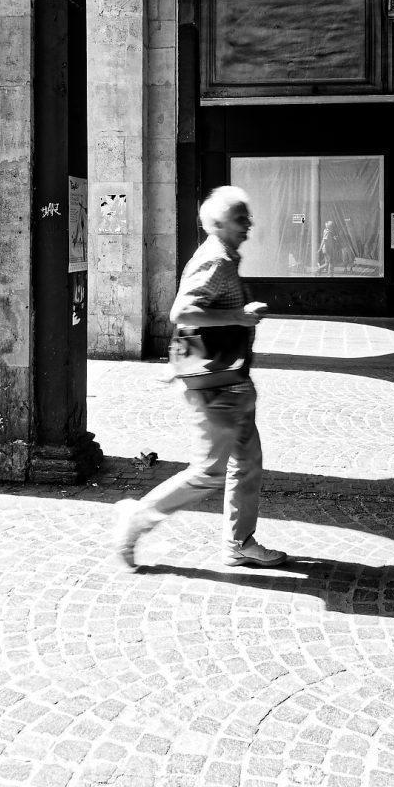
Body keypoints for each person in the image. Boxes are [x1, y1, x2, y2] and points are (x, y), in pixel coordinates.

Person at [113, 186, 286, 569]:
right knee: (208, 472)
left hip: (230, 383)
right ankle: (137, 519)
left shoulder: (221, 257)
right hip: (217, 389)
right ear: (218, 224)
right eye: (240, 218)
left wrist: (237, 314)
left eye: (247, 216)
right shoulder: (217, 260)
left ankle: (239, 543)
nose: (248, 224)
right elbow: (182, 313)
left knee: (246, 463)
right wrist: (239, 316)